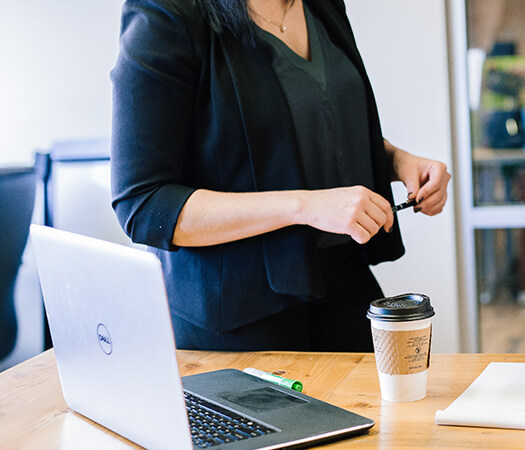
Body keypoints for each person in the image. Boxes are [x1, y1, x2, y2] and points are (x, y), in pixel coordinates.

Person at [110, 0, 451, 352]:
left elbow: (300, 126)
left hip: (343, 280)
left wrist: (396, 161)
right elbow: (144, 204)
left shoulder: (321, 5)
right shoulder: (166, 14)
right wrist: (304, 205)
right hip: (239, 312)